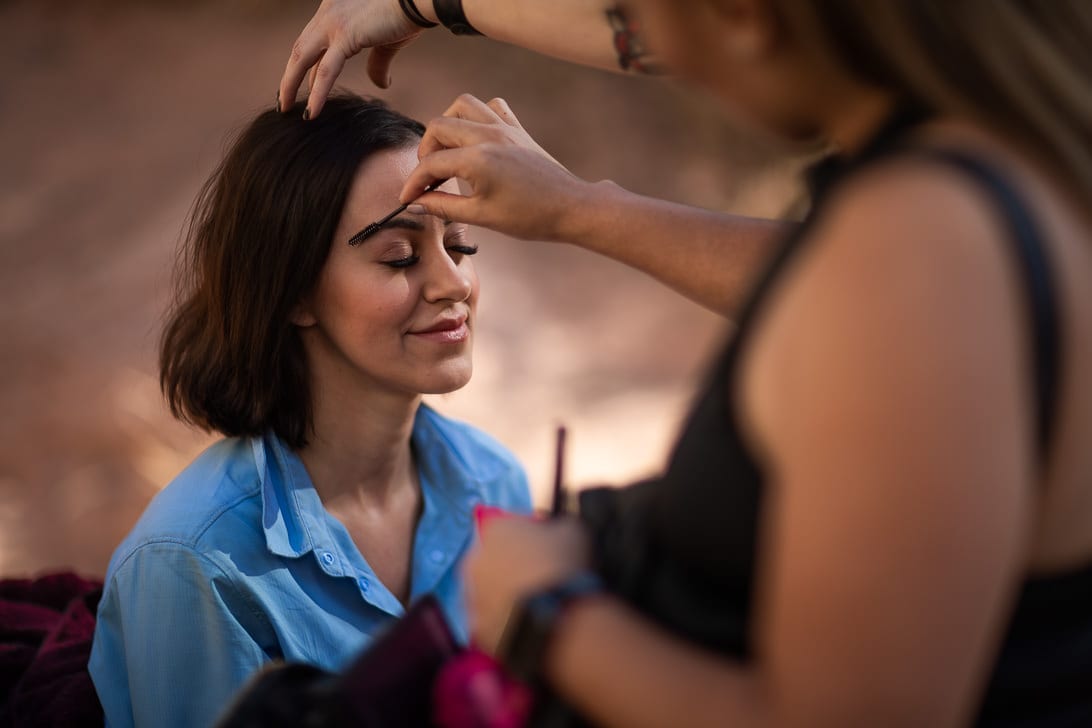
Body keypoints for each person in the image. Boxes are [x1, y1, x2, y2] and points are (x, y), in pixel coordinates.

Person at [280, 1, 1092, 726]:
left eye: (656, 16)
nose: (643, 45)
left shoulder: (914, 246)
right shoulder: (995, 177)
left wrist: (545, 612)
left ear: (744, 15)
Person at [87, 93, 532, 728]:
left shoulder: (498, 485)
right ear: (294, 290)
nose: (454, 283)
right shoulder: (194, 564)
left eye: (458, 245)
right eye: (399, 257)